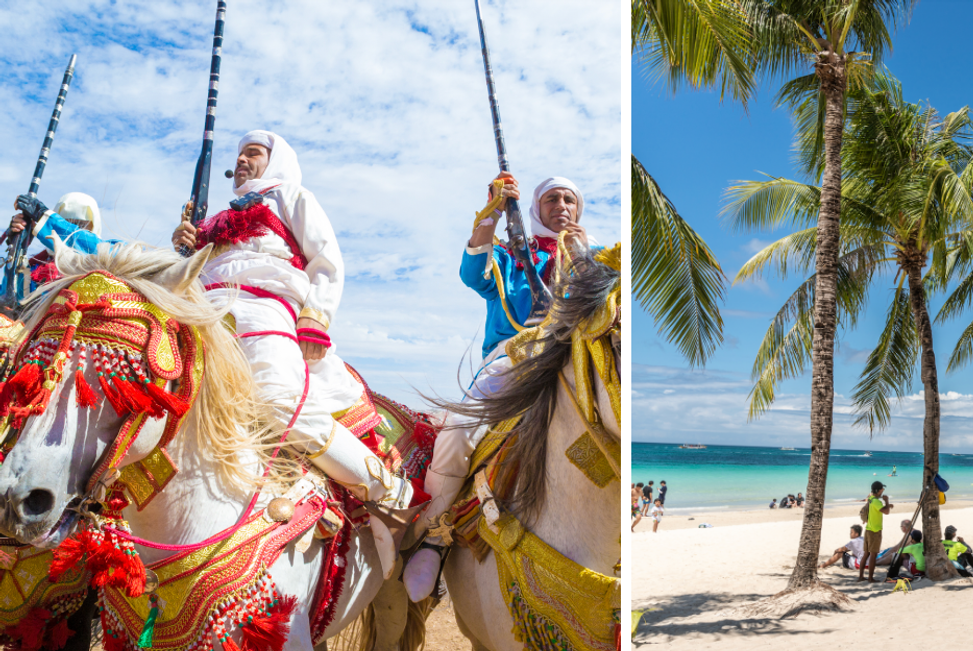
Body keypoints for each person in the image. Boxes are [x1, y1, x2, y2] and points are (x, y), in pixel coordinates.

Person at [170, 131, 413, 580]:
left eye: (253, 153)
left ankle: (386, 489)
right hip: (203, 315)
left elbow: (327, 258)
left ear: (276, 160)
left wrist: (315, 317)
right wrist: (186, 246)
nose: (241, 160)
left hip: (265, 310)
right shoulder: (217, 219)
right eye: (239, 154)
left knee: (278, 400)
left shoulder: (292, 197)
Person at [403, 171, 592, 601]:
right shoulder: (511, 256)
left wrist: (583, 260)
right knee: (456, 433)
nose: (561, 207)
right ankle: (434, 535)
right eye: (551, 200)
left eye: (569, 200)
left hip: (575, 355)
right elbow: (473, 275)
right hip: (515, 356)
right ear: (535, 209)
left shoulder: (596, 257)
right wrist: (491, 211)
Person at [8, 192, 116, 298]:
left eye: (82, 225)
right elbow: (12, 299)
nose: (73, 229)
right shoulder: (34, 268)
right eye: (66, 222)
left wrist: (43, 217)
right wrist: (17, 250)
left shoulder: (111, 266)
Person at [860, 481, 892, 583]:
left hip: (868, 529)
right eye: (882, 490)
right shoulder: (877, 502)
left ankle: (861, 576)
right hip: (875, 531)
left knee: (866, 554)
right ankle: (870, 578)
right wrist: (887, 501)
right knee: (873, 555)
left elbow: (879, 508)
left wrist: (887, 505)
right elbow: (886, 512)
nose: (883, 491)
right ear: (878, 491)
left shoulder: (870, 499)